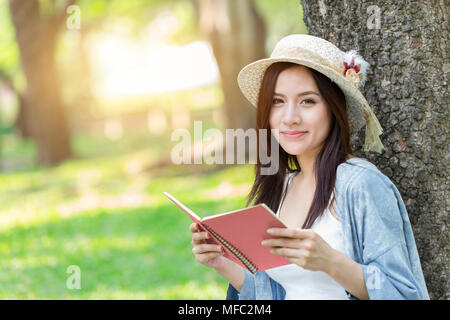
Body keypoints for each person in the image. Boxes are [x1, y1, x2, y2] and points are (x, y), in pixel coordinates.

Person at [189, 34, 429, 300]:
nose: (290, 118)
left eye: (308, 101)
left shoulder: (360, 184)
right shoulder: (283, 187)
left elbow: (404, 294)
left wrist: (330, 261)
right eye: (278, 101)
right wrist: (223, 263)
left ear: (333, 109)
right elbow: (284, 293)